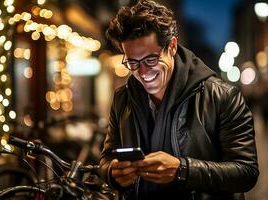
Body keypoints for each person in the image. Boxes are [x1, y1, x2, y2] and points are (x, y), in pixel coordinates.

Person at [99, 1, 259, 199]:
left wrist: (182, 170)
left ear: (172, 46)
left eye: (151, 59)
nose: (142, 72)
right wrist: (112, 173)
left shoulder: (223, 96)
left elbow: (246, 172)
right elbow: (106, 158)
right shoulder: (122, 98)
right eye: (132, 62)